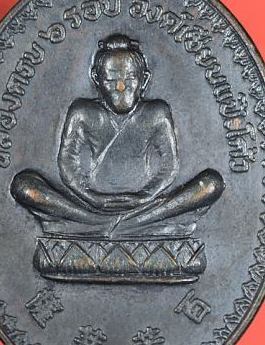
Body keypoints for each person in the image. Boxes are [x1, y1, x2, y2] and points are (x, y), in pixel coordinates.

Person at [11, 34, 224, 238]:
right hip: (89, 207)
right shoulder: (82, 112)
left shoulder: (156, 113)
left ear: (144, 80)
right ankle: (123, 225)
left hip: (147, 206)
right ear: (96, 79)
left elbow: (169, 165)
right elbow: (68, 163)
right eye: (111, 80)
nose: (121, 87)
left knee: (210, 184)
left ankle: (109, 226)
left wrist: (144, 197)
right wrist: (91, 197)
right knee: (24, 186)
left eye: (129, 78)